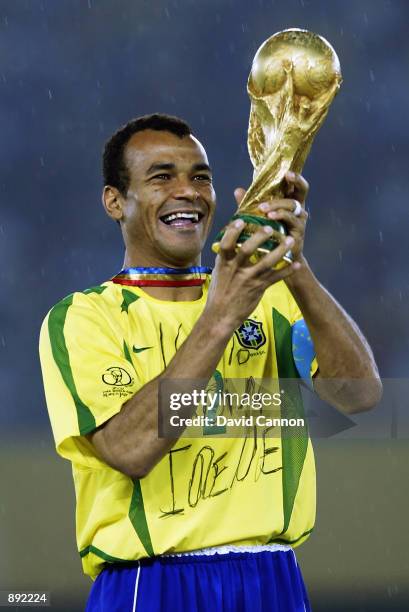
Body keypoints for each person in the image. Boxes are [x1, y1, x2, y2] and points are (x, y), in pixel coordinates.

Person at [39, 113, 382, 611]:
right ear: (115, 201)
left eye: (201, 177)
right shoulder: (84, 318)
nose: (188, 191)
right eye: (162, 176)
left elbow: (360, 395)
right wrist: (220, 317)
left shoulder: (271, 299)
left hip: (273, 578)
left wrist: (294, 266)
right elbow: (132, 450)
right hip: (151, 583)